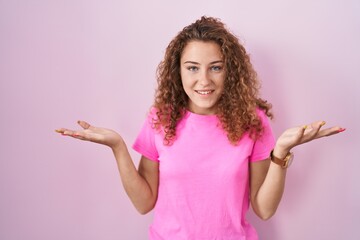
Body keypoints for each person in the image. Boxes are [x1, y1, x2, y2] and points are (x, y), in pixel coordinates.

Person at [56, 16, 345, 240]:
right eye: (193, 67)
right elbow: (145, 203)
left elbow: (264, 209)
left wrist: (280, 152)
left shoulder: (252, 121)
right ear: (177, 71)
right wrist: (118, 146)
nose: (203, 80)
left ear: (230, 71)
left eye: (215, 67)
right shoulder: (161, 119)